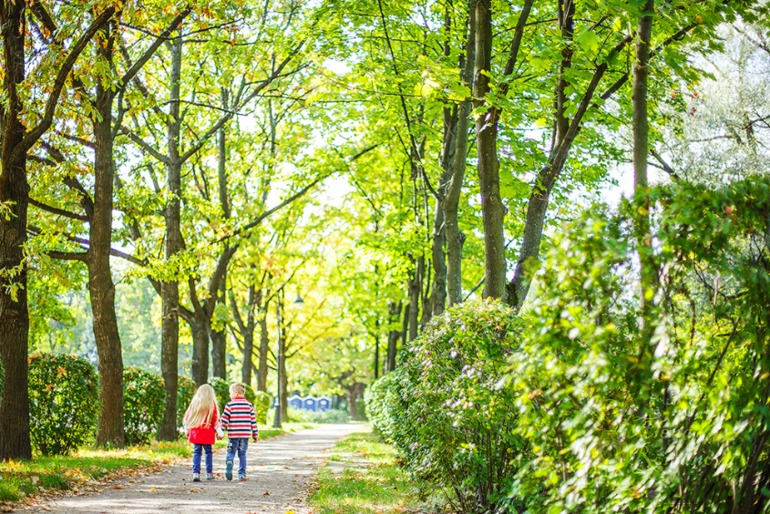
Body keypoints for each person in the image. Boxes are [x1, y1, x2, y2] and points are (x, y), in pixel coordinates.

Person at [183, 384, 222, 482]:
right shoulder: (211, 405)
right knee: (208, 452)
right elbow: (215, 420)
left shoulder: (194, 404)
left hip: (196, 432)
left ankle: (196, 473)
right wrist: (219, 431)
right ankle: (209, 473)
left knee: (197, 452)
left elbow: (188, 418)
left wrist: (187, 429)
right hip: (207, 432)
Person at [221, 383, 259, 481]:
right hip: (245, 435)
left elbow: (224, 419)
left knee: (231, 452)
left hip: (233, 434)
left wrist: (221, 431)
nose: (230, 395)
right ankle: (241, 474)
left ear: (236, 393)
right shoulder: (249, 405)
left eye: (231, 393)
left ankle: (229, 462)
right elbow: (253, 421)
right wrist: (255, 434)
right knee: (242, 454)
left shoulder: (230, 405)